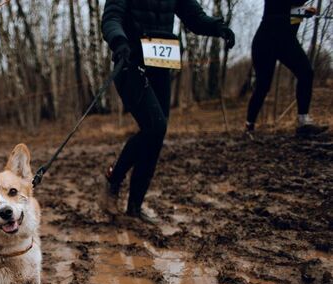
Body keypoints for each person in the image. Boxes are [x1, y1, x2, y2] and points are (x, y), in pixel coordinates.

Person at [101, 0, 235, 222]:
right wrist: (119, 40)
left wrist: (217, 27)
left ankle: (134, 207)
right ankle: (114, 178)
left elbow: (195, 18)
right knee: (155, 126)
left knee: (156, 134)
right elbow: (111, 18)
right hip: (130, 64)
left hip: (161, 66)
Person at [246, 1, 328, 137]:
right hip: (265, 40)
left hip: (286, 41)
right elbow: (285, 6)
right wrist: (301, 10)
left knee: (306, 73)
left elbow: (290, 12)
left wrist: (302, 13)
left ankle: (303, 123)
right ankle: (249, 125)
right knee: (263, 86)